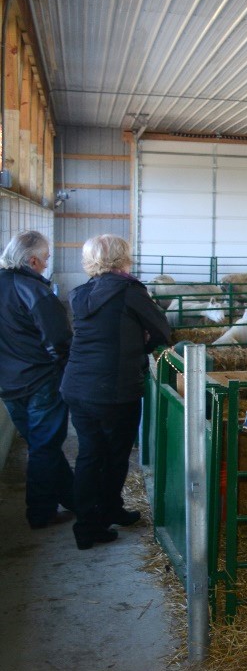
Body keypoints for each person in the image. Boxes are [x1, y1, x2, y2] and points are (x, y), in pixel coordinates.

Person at [63, 234, 171, 550]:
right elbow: (162, 330)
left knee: (89, 453)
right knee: (113, 455)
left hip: (77, 386)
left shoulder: (79, 293)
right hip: (113, 388)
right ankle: (101, 517)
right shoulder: (130, 292)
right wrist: (144, 345)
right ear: (123, 258)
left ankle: (90, 522)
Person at [0, 231, 75, 530]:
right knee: (44, 446)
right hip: (40, 379)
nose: (45, 265)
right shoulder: (34, 291)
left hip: (7, 383)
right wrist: (65, 369)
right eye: (44, 260)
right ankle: (41, 513)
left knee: (41, 443)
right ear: (32, 260)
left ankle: (74, 497)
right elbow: (59, 340)